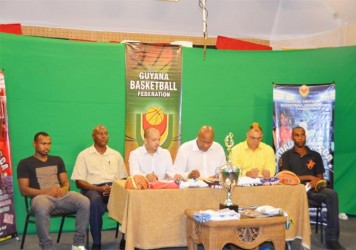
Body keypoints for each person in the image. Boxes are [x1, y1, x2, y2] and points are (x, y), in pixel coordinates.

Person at [17, 132, 90, 250]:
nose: (46, 147)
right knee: (41, 206)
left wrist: (64, 189)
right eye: (43, 143)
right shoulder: (25, 163)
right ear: (34, 144)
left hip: (62, 195)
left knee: (84, 201)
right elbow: (24, 190)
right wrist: (46, 191)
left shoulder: (57, 160)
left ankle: (78, 244)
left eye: (49, 144)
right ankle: (46, 246)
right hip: (41, 198)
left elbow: (65, 182)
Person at [279, 126, 345, 250]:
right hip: (294, 191)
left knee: (332, 194)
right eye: (297, 135)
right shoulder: (286, 156)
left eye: (302, 135)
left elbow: (319, 177)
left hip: (312, 190)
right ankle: (285, 238)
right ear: (292, 137)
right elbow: (285, 178)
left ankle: (332, 239)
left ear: (305, 136)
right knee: (280, 196)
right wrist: (309, 176)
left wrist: (317, 180)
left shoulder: (315, 155)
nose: (300, 137)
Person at [71, 125, 128, 250]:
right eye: (100, 133)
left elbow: (123, 178)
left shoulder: (115, 155)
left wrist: (113, 188)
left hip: (114, 188)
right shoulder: (84, 155)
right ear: (93, 136)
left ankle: (126, 239)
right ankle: (97, 243)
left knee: (129, 199)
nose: (103, 136)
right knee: (94, 202)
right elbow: (79, 182)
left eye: (106, 133)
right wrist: (99, 189)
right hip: (92, 189)